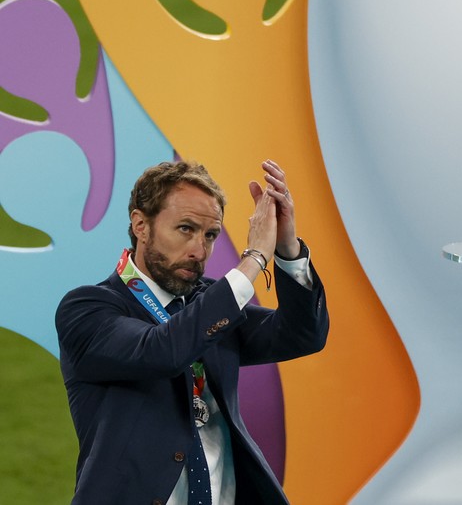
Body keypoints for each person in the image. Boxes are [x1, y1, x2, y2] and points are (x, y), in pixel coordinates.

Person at [55, 159, 329, 504]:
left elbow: (302, 334)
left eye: (210, 235)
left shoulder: (209, 304)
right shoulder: (87, 308)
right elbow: (161, 351)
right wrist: (255, 256)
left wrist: (288, 250)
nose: (200, 251)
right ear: (141, 225)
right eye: (186, 229)